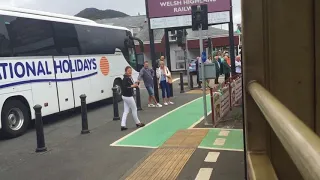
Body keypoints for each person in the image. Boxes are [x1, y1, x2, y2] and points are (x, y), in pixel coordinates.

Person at [121, 66, 145, 131]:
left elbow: (129, 85)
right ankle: (138, 123)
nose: (130, 72)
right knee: (134, 109)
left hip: (124, 96)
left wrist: (135, 84)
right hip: (128, 96)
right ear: (126, 71)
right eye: (128, 71)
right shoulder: (126, 79)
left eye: (130, 70)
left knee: (126, 111)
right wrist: (133, 85)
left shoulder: (127, 78)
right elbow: (126, 87)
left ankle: (123, 125)